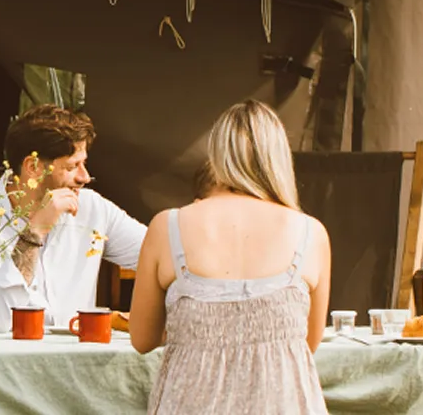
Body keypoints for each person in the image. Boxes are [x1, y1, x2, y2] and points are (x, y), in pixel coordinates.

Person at [128, 100, 331, 415]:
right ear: (279, 158)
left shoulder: (167, 226)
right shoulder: (310, 232)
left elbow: (142, 339)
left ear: (216, 154)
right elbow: (308, 344)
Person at [0, 104, 147, 331]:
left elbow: (165, 256)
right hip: (8, 361)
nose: (85, 177)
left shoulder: (93, 207)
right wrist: (34, 233)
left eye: (84, 163)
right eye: (73, 166)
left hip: (80, 359)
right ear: (32, 167)